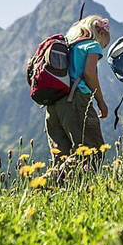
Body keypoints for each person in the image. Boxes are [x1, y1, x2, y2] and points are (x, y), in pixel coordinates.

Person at [45, 15, 111, 164]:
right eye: (104, 45)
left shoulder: (69, 47)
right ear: (100, 33)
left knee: (61, 157)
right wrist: (100, 101)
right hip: (76, 100)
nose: (102, 48)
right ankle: (52, 183)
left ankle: (47, 184)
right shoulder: (92, 45)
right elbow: (89, 73)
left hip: (54, 103)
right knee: (92, 151)